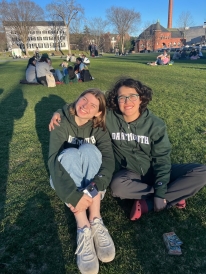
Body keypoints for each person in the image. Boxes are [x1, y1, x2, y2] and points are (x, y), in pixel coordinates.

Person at [49, 77, 206, 222]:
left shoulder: (155, 125)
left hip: (154, 169)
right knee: (117, 187)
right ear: (116, 101)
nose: (127, 101)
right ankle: (176, 193)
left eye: (132, 96)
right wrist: (60, 112)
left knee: (202, 172)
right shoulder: (109, 118)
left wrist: (160, 191)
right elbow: (87, 105)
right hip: (129, 174)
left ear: (141, 99)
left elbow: (162, 159)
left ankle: (150, 203)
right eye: (122, 97)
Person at [48, 88, 115, 274]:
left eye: (93, 105)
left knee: (90, 150)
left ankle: (95, 219)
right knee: (69, 153)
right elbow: (53, 161)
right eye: (83, 100)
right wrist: (72, 195)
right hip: (62, 178)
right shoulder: (60, 121)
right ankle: (83, 225)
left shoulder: (99, 128)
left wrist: (94, 188)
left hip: (91, 181)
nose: (85, 106)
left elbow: (108, 160)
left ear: (99, 112)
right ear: (77, 99)